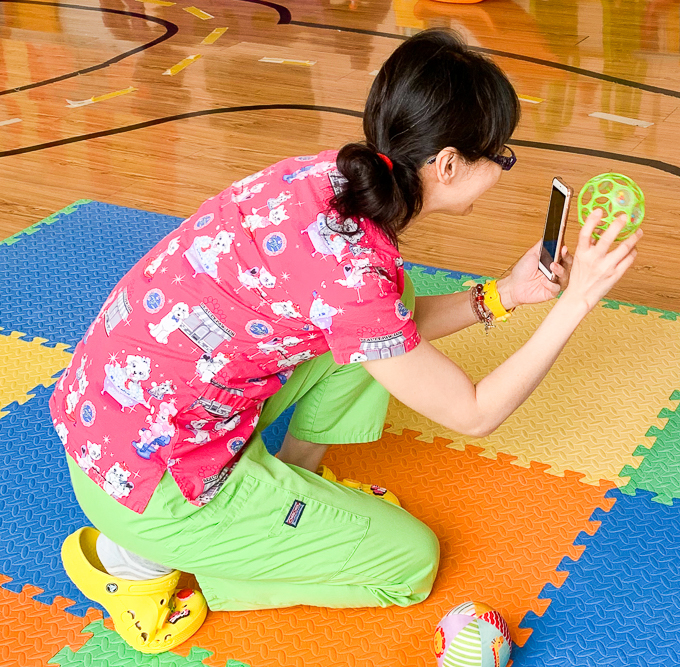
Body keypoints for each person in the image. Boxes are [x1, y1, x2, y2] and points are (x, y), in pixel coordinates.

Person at [52, 28, 642, 654]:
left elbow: (377, 319)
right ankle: (148, 569)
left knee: (379, 316)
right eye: (501, 156)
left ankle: (289, 490)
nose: (503, 168)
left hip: (109, 425)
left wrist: (502, 295)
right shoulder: (356, 276)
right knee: (410, 563)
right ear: (446, 163)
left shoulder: (319, 181)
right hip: (155, 488)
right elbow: (475, 412)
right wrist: (577, 302)